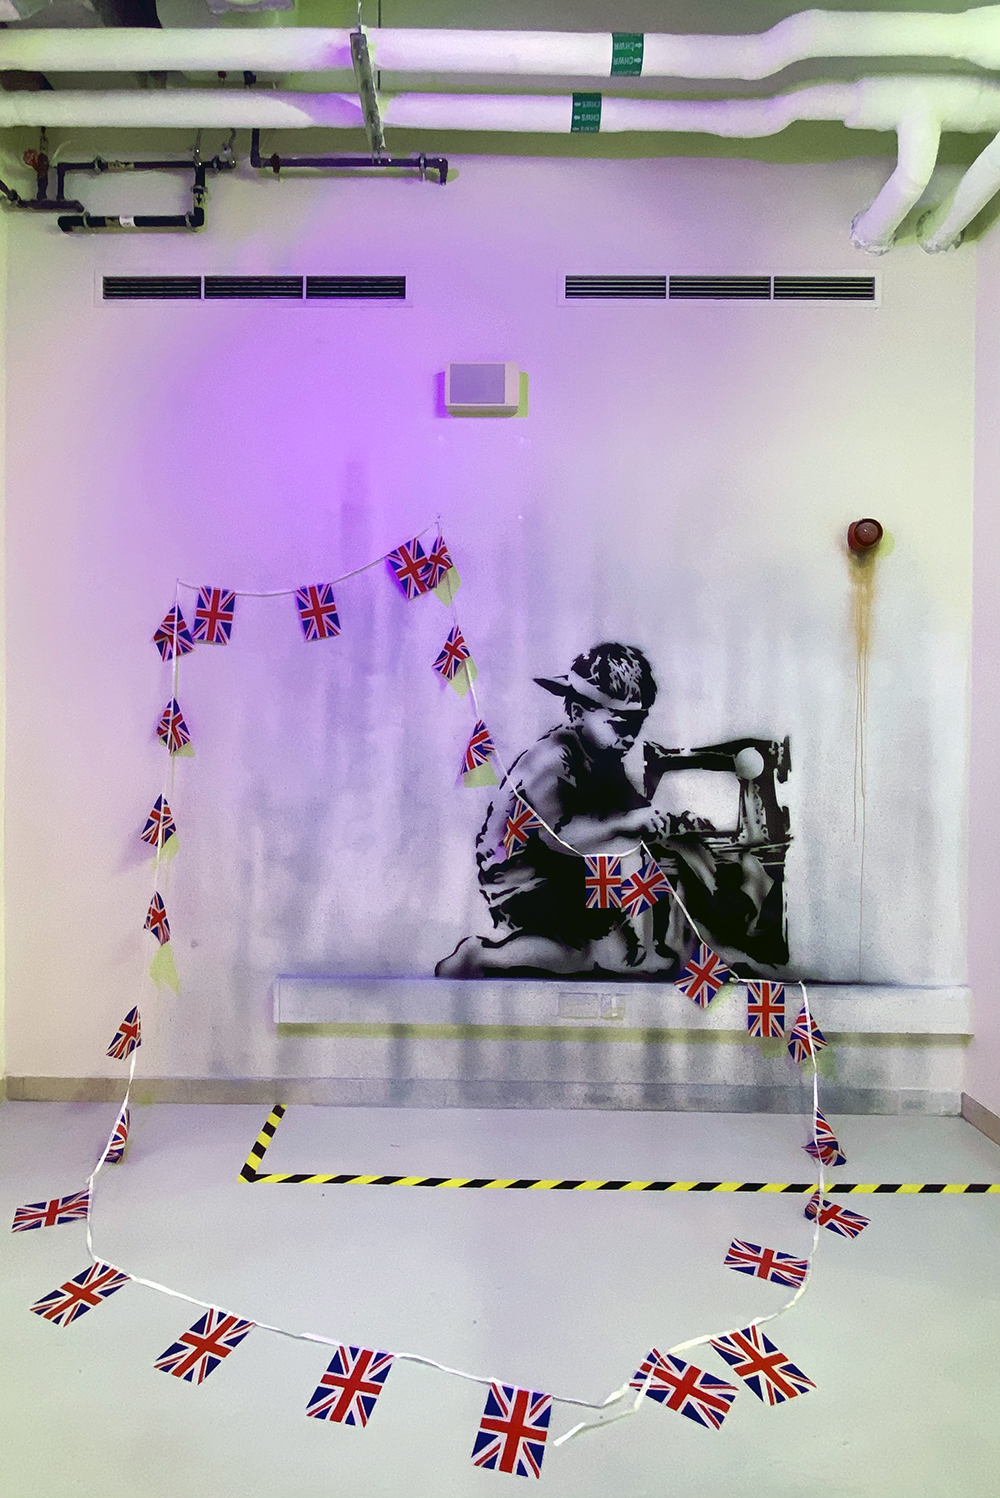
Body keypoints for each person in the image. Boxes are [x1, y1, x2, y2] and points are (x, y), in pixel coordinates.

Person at [436, 642, 674, 978]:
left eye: (638, 725)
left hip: (567, 871)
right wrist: (628, 823)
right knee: (581, 955)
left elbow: (632, 813)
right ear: (577, 713)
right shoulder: (553, 758)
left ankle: (633, 949)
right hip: (522, 879)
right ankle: (481, 958)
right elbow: (560, 836)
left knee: (616, 954)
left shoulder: (606, 758)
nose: (631, 738)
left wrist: (660, 820)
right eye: (621, 725)